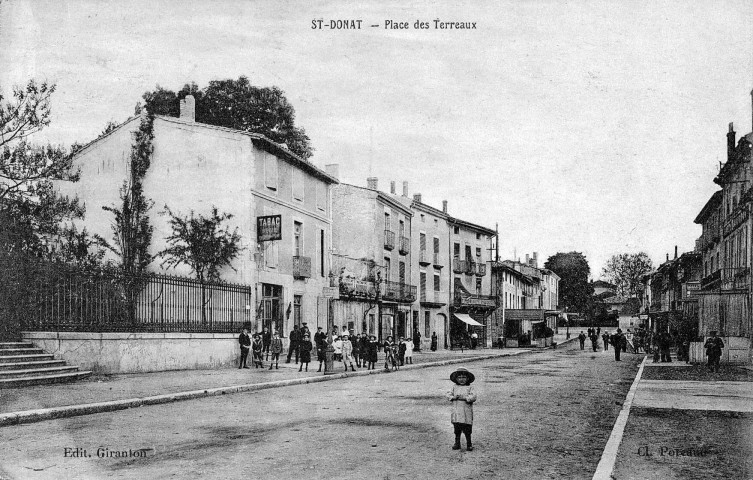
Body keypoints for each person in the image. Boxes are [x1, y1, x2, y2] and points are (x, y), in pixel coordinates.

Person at [447, 367, 477, 451]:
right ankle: (457, 443)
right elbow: (448, 394)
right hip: (457, 411)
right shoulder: (454, 387)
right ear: (456, 379)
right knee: (457, 429)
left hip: (466, 411)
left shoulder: (470, 387)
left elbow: (473, 396)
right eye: (459, 377)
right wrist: (453, 397)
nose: (461, 380)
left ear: (467, 378)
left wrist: (465, 398)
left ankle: (469, 444)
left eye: (464, 377)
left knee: (467, 429)